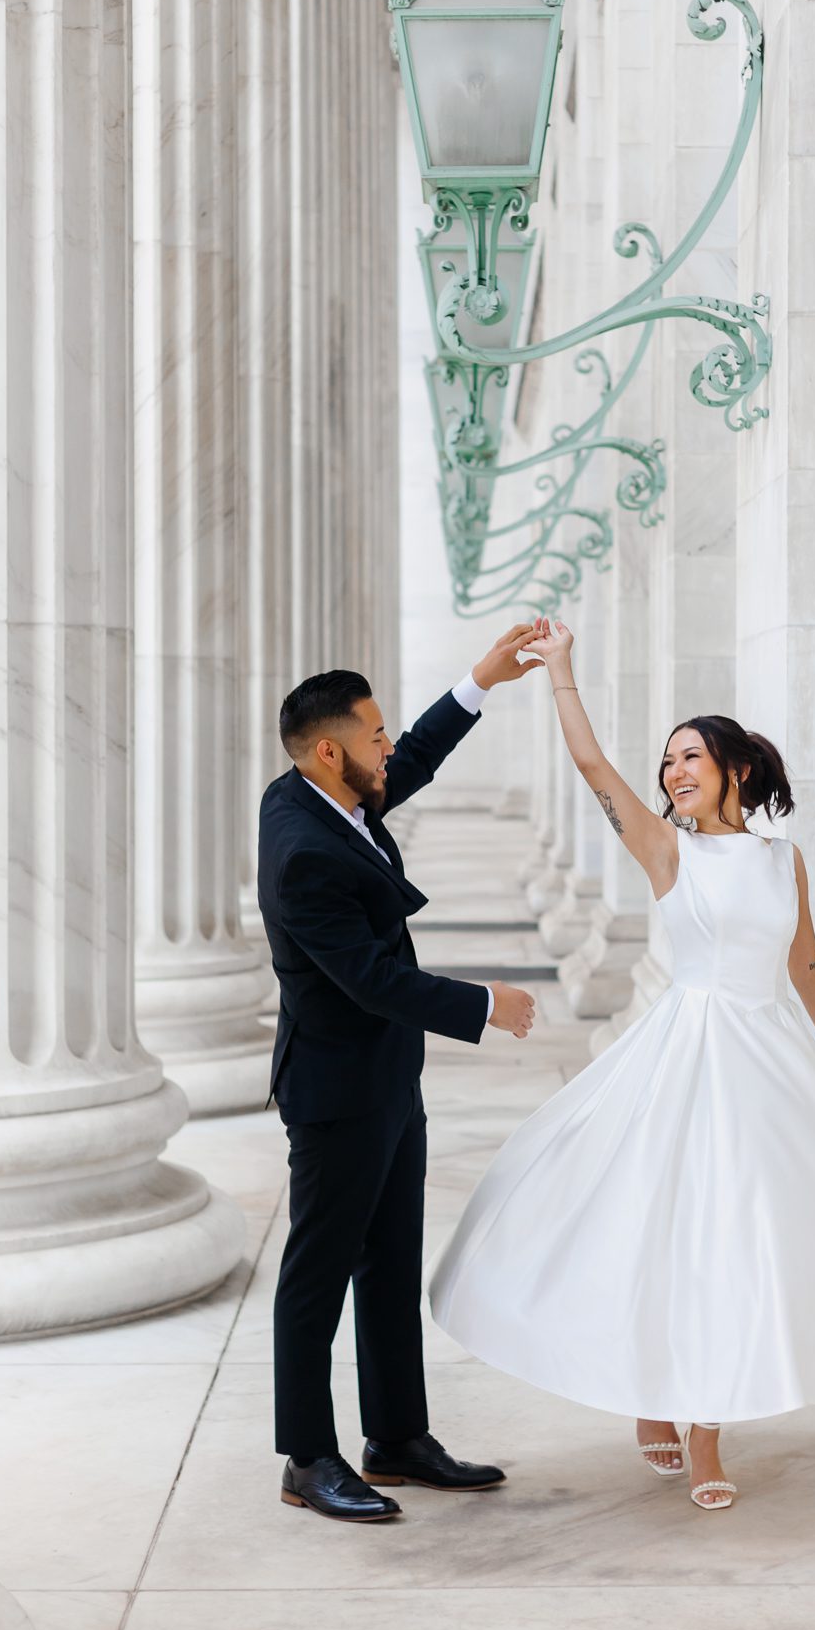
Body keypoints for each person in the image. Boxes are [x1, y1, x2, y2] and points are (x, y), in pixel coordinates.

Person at [430, 619, 815, 1513]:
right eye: (667, 760)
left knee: (742, 1241)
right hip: (684, 1056)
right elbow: (595, 772)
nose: (673, 771)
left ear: (735, 769)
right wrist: (561, 674)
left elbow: (808, 969)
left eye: (689, 756)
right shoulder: (671, 852)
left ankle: (698, 1416)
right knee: (672, 1228)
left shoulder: (784, 862)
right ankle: (667, 1406)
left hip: (769, 1064)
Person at [258, 626, 541, 1524]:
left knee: (389, 1265)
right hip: (336, 1094)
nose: (388, 747)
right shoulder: (302, 847)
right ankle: (308, 1457)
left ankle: (397, 1440)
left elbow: (409, 762)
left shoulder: (329, 797)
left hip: (385, 1080)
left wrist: (479, 682)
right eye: (373, 736)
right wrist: (482, 1003)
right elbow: (368, 980)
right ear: (333, 750)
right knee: (318, 1275)